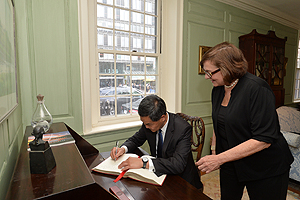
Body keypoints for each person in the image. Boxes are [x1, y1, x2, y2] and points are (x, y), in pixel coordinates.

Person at [195, 42, 293, 200]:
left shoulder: (257, 89)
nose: (207, 77)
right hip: (231, 161)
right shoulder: (218, 90)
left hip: (266, 166)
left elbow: (264, 139)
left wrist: (219, 158)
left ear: (227, 68)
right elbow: (219, 122)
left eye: (210, 72)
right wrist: (215, 151)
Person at [110, 95, 203, 189]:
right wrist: (123, 148)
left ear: (162, 117)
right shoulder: (149, 123)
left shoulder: (183, 129)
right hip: (158, 174)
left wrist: (144, 163)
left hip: (182, 181)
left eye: (148, 124)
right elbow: (135, 139)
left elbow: (177, 164)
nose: (145, 127)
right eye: (144, 123)